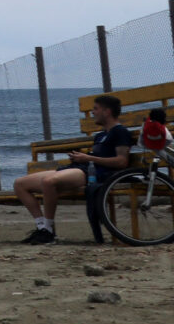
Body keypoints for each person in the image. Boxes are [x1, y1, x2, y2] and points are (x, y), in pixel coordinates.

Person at [12, 93, 133, 245]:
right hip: (81, 166)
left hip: (95, 173)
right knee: (20, 184)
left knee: (49, 182)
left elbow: (122, 161)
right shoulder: (101, 135)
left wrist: (89, 158)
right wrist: (81, 157)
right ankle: (42, 227)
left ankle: (48, 231)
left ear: (107, 111)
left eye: (96, 109)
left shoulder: (120, 132)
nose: (93, 112)